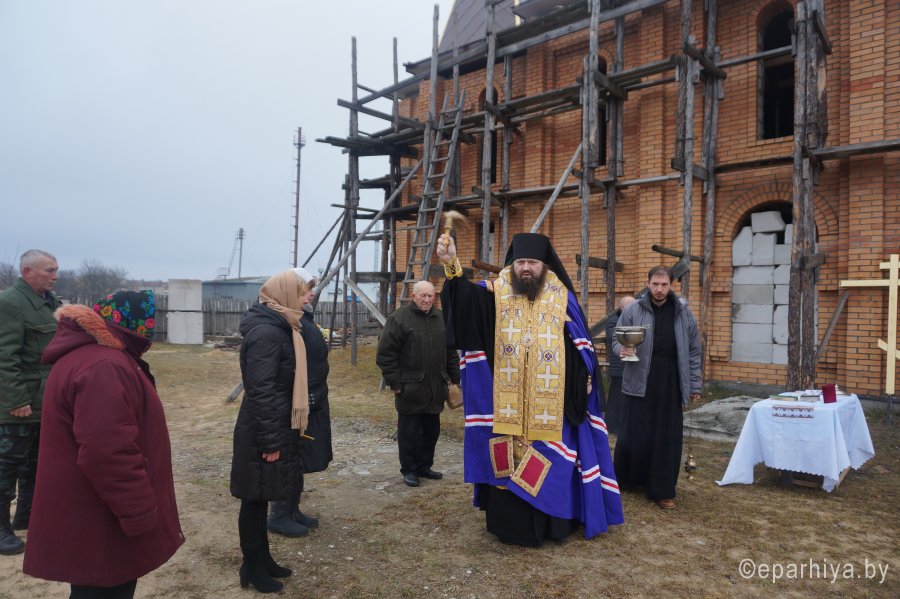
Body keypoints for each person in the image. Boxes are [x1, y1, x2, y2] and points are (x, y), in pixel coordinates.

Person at [436, 232, 623, 546]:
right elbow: (464, 304)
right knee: (506, 463)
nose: (525, 268)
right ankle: (509, 528)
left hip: (551, 404)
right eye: (520, 262)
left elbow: (580, 346)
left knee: (552, 461)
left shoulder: (562, 297)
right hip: (506, 402)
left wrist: (582, 379)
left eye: (532, 263)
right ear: (513, 264)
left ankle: (552, 525)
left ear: (544, 266)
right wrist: (452, 264)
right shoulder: (495, 292)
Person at [22, 290, 183, 599]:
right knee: (105, 589)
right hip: (101, 515)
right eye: (149, 319)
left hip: (92, 507)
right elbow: (108, 452)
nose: (151, 328)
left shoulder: (95, 357)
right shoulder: (105, 366)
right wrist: (138, 512)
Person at [230, 270, 311, 593]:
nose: (307, 299)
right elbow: (260, 391)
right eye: (302, 293)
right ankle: (252, 567)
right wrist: (269, 441)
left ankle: (262, 559)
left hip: (272, 424)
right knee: (253, 499)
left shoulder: (281, 326)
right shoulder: (267, 333)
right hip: (262, 429)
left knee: (261, 496)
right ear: (286, 295)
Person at [611, 266, 702, 510]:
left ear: (671, 285)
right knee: (634, 433)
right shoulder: (633, 310)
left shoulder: (683, 313)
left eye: (664, 284)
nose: (659, 289)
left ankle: (662, 489)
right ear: (648, 284)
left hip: (670, 381)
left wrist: (695, 384)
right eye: (655, 284)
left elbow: (694, 352)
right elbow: (616, 339)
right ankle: (627, 480)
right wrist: (622, 349)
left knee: (666, 437)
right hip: (639, 378)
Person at [0, 249, 60, 555]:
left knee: (35, 463)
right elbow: (4, 357)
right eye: (49, 270)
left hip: (43, 400)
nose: (55, 276)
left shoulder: (51, 303)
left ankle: (27, 517)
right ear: (27, 272)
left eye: (56, 270)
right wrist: (16, 399)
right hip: (18, 405)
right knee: (7, 466)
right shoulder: (10, 303)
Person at [267, 267, 332, 537]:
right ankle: (279, 514)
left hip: (309, 397)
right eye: (306, 289)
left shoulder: (302, 317)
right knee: (287, 457)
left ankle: (292, 509)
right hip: (296, 399)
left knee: (298, 456)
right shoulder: (287, 321)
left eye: (311, 289)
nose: (311, 294)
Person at [376, 280, 460, 488]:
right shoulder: (399, 318)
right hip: (409, 388)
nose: (427, 299)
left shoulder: (441, 318)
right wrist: (395, 383)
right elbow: (385, 354)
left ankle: (424, 466)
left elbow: (451, 351)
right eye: (423, 295)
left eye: (430, 296)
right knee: (409, 433)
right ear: (413, 296)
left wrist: (455, 378)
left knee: (431, 431)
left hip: (436, 387)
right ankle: (409, 470)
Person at [603, 295, 635, 435]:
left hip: (634, 365)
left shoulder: (637, 318)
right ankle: (613, 426)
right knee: (617, 399)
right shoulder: (613, 321)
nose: (634, 308)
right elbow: (613, 337)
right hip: (619, 365)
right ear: (622, 307)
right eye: (630, 306)